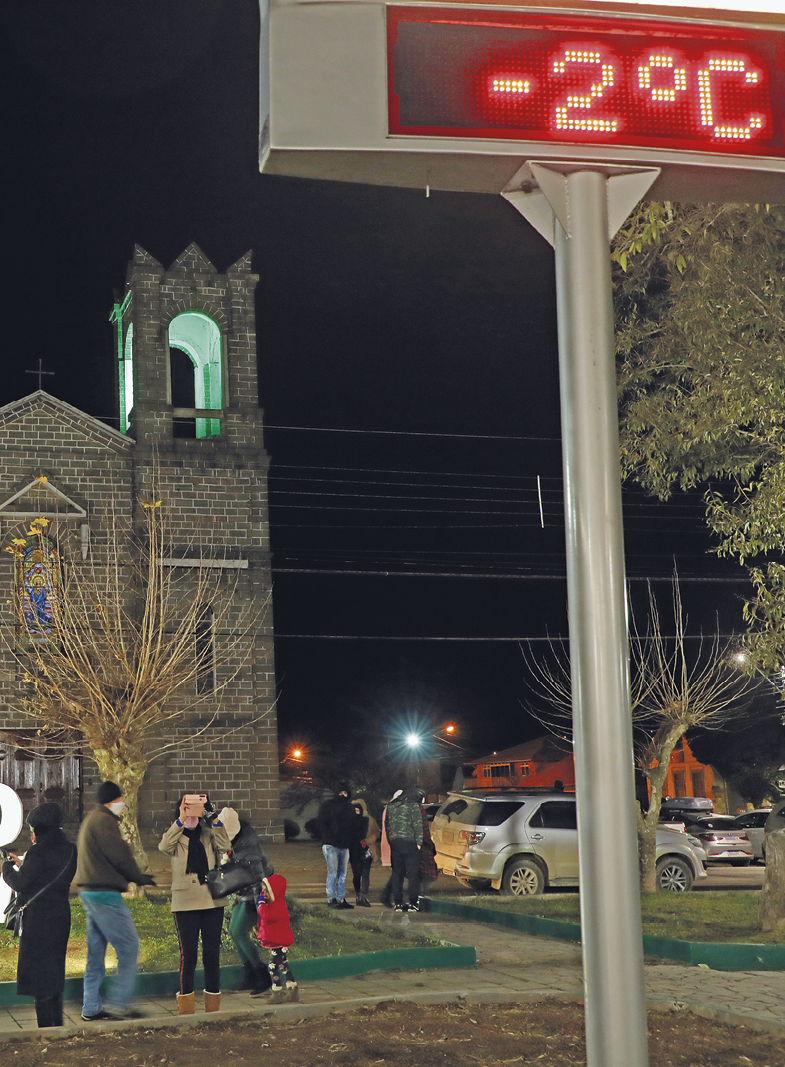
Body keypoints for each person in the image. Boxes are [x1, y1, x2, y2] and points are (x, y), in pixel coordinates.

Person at [75, 781, 156, 1022]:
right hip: (105, 894)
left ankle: (90, 1006)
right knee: (129, 946)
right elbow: (119, 854)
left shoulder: (92, 819)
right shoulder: (104, 821)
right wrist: (137, 877)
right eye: (119, 799)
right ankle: (119, 1004)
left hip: (90, 892)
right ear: (111, 801)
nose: (122, 803)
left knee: (96, 953)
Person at [2, 802, 77, 1028]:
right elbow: (49, 872)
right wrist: (25, 862)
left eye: (33, 829)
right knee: (54, 972)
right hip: (60, 917)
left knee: (40, 976)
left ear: (39, 829)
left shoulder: (38, 851)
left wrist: (6, 867)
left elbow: (21, 883)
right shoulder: (70, 849)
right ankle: (57, 1025)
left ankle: (46, 1027)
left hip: (38, 921)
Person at [159, 793, 232, 1014]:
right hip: (185, 903)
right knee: (188, 955)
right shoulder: (175, 835)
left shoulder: (209, 833)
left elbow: (226, 845)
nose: (192, 812)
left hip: (212, 900)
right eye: (188, 806)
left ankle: (212, 1008)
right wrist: (181, 819)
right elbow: (164, 846)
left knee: (212, 954)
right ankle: (186, 1009)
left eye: (196, 807)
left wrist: (213, 818)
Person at [222, 808, 274, 997]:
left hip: (254, 894)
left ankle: (261, 975)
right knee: (235, 932)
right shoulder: (239, 841)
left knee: (238, 932)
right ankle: (251, 975)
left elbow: (258, 876)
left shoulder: (247, 846)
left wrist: (257, 904)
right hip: (243, 892)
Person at [256, 873, 297, 1004]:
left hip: (279, 941)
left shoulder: (277, 905)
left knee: (273, 967)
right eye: (263, 891)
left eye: (266, 891)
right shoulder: (276, 904)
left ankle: (277, 991)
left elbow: (266, 916)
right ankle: (292, 988)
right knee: (283, 965)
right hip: (278, 940)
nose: (264, 894)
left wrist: (260, 903)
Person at [316, 783, 356, 909]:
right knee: (333, 873)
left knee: (342, 874)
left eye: (345, 793)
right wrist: (329, 837)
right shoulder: (328, 806)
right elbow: (322, 822)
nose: (343, 795)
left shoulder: (349, 807)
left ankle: (340, 898)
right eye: (341, 793)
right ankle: (331, 899)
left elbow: (353, 825)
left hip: (344, 845)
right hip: (331, 844)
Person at [386, 784, 424, 912]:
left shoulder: (391, 806)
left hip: (395, 843)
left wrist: (391, 841)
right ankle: (413, 902)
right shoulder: (413, 806)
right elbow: (418, 825)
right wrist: (419, 843)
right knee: (413, 874)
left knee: (397, 873)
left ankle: (398, 903)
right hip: (410, 843)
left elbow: (387, 825)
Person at [348, 798, 373, 907]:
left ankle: (363, 896)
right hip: (353, 851)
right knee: (357, 874)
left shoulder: (365, 820)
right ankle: (358, 895)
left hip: (364, 850)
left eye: (358, 811)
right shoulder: (348, 822)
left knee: (365, 875)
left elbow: (365, 834)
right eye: (355, 811)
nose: (356, 813)